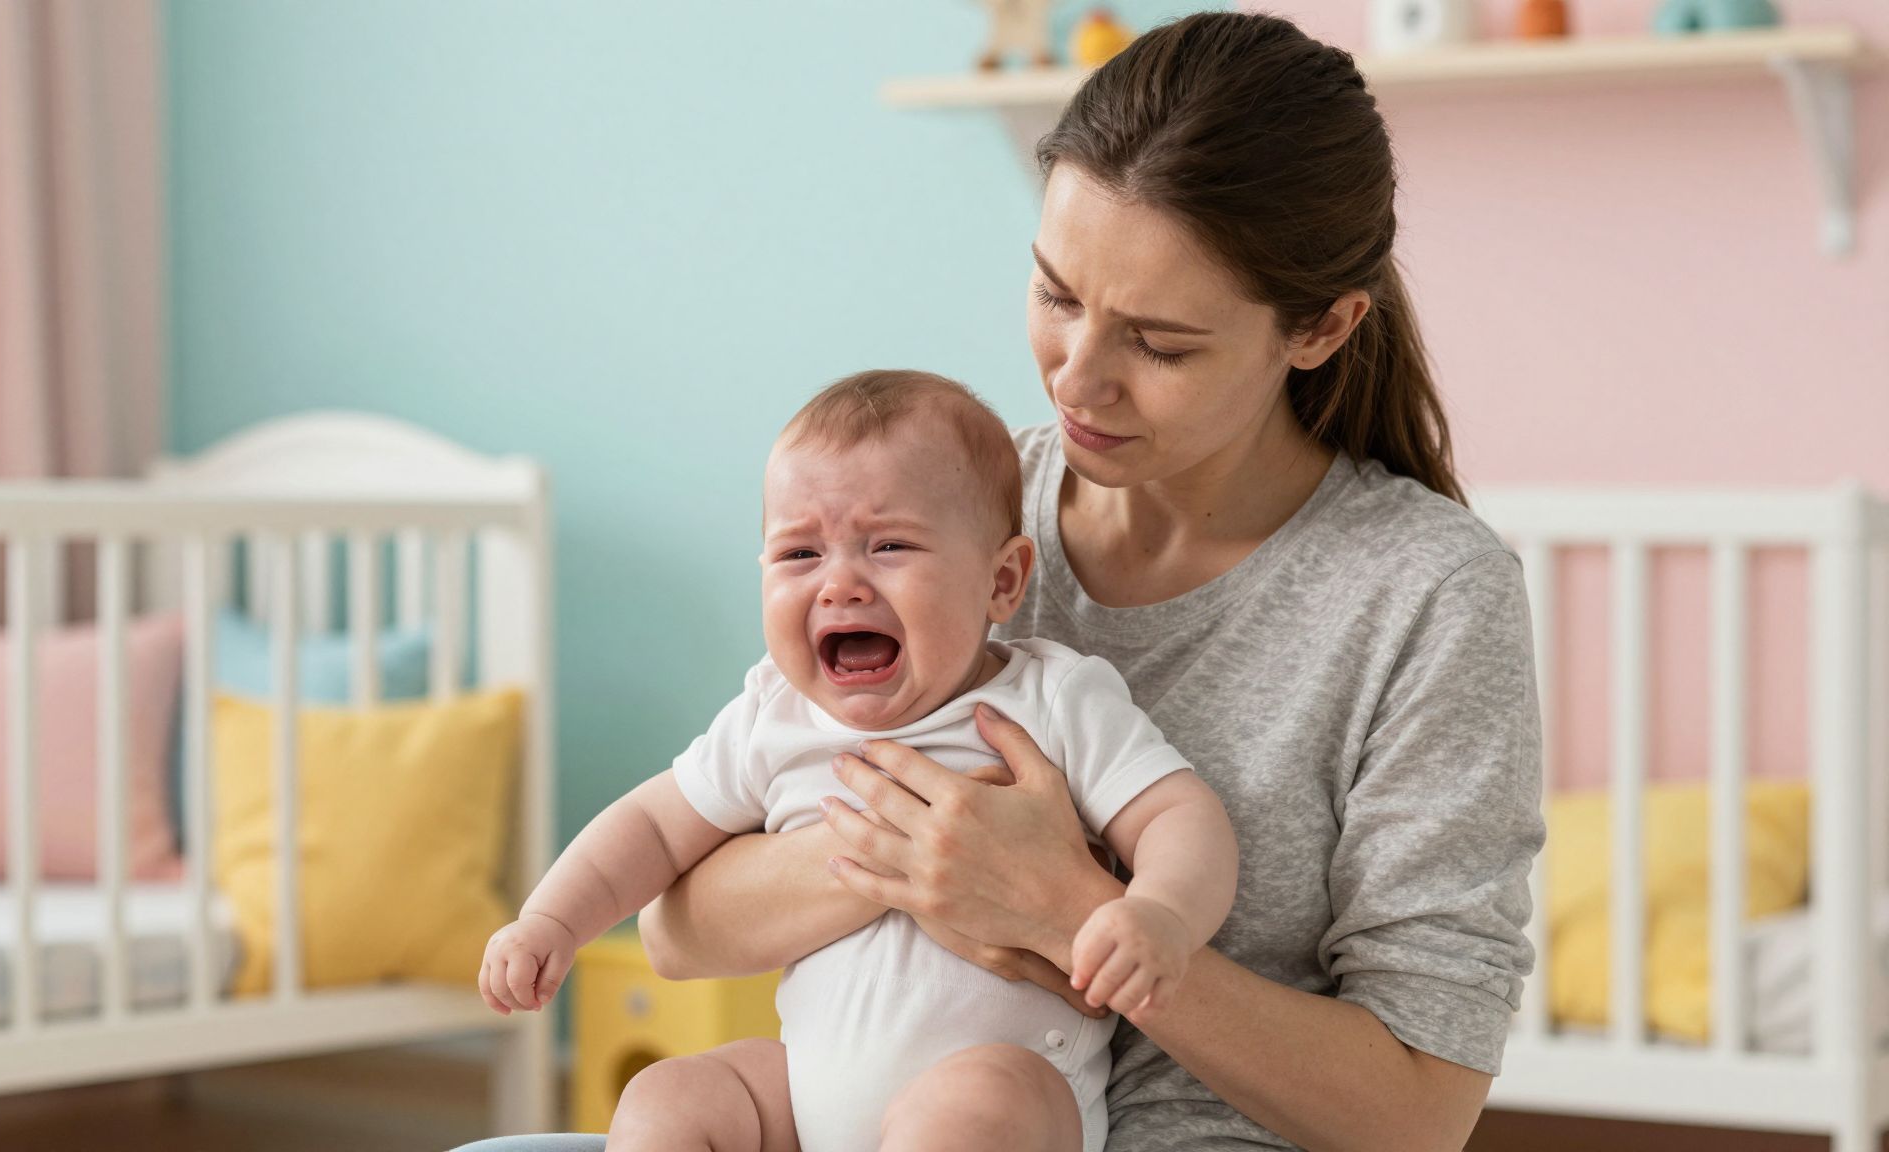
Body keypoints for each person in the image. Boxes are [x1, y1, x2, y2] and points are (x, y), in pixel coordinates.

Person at [457, 9, 1542, 1151]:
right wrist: (917, 854)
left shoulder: (1422, 595)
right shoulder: (942, 519)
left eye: (1159, 344)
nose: (1078, 379)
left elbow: (1415, 1112)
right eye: (1056, 295)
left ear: (1319, 328)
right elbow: (681, 929)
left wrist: (1064, 907)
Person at [479, 370, 1238, 1152]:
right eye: (799, 552)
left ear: (1002, 580)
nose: (840, 584)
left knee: (975, 1103)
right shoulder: (772, 716)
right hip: (810, 1105)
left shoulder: (1051, 700)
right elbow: (649, 826)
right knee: (671, 1096)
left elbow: (1179, 815)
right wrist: (552, 921)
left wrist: (1160, 915)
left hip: (1006, 1104)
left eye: (890, 545)